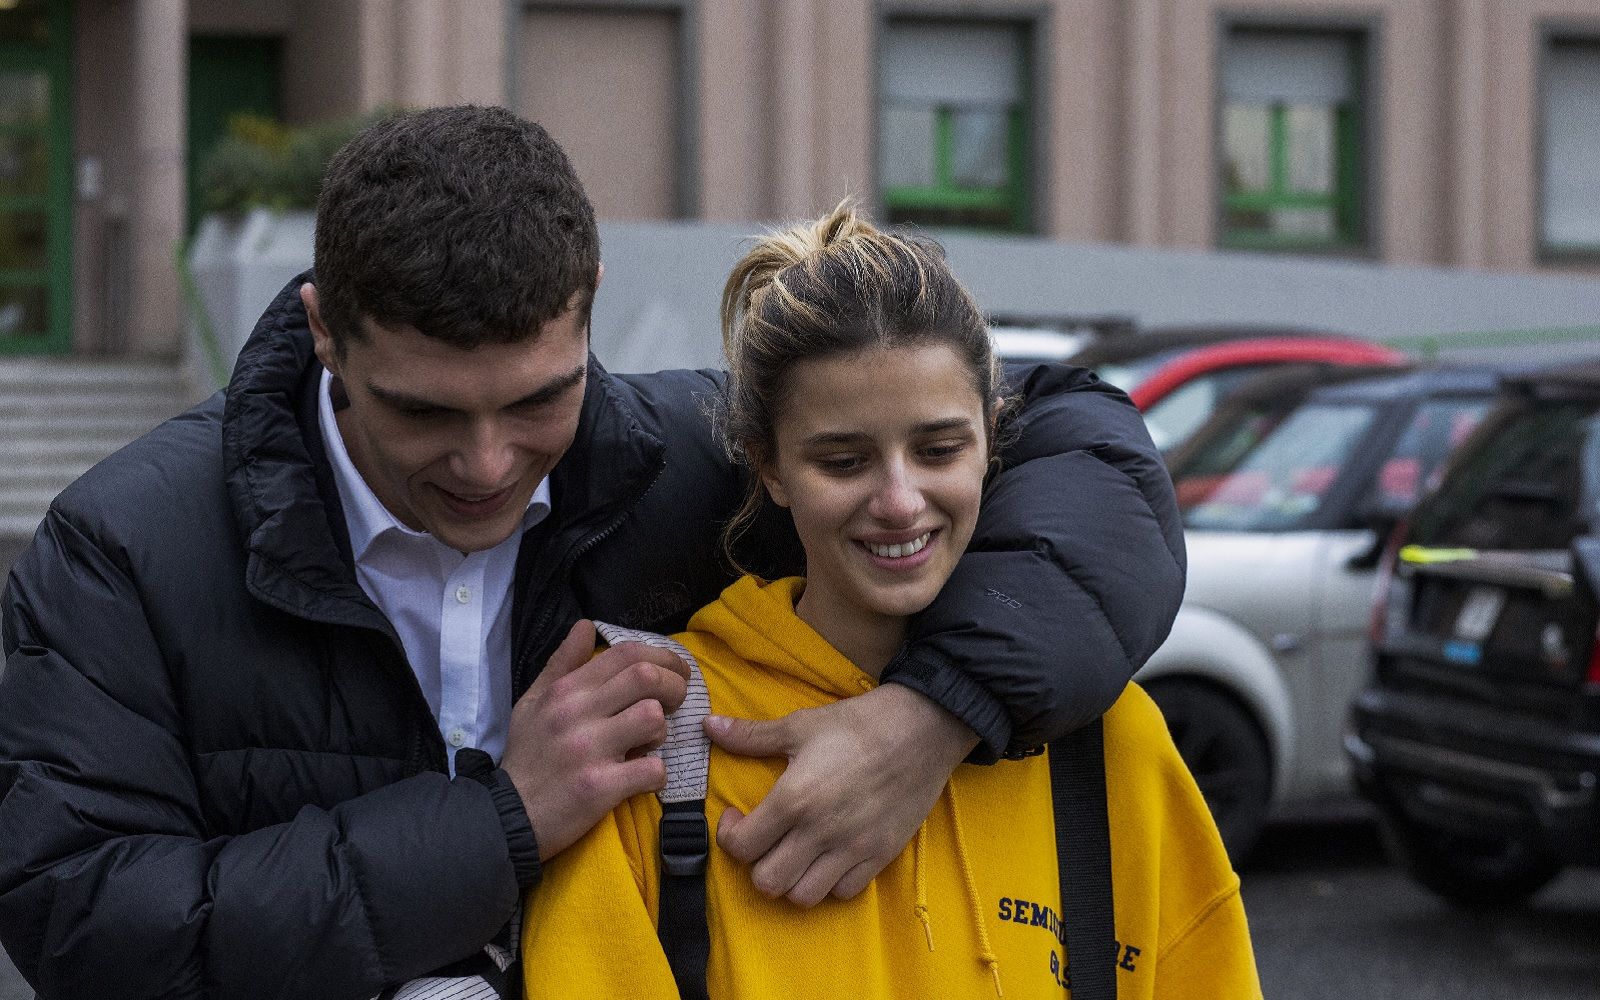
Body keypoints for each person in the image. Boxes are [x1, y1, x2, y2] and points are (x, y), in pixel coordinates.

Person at [0, 107, 1184, 997]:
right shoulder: (126, 547)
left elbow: (1083, 448)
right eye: (421, 412)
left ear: (590, 302)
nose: (486, 461)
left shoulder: (688, 462)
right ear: (323, 331)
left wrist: (929, 717)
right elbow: (84, 924)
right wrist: (499, 819)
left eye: (538, 399)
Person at [521, 204, 1258, 998]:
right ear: (768, 467)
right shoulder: (651, 748)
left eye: (939, 450)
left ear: (992, 438)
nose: (901, 502)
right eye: (843, 463)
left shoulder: (1111, 746)